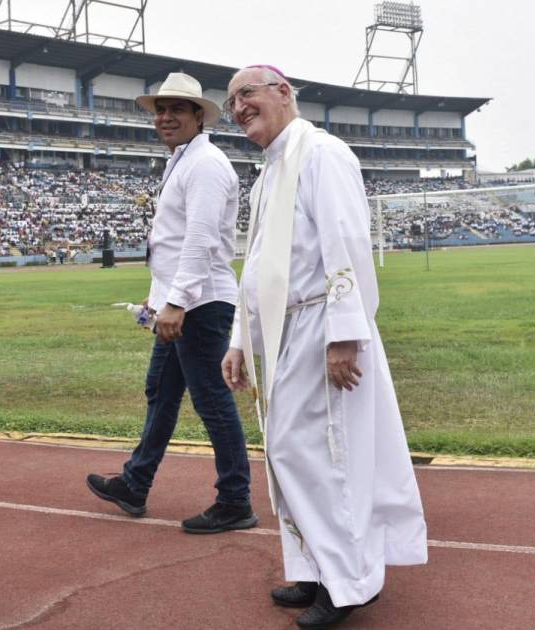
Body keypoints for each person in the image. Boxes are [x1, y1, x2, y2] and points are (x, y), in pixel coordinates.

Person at [221, 64, 427, 629]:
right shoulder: (268, 175)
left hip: (321, 328)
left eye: (247, 94)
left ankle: (350, 584)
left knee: (326, 458)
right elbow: (258, 269)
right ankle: (315, 569)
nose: (238, 108)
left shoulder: (322, 155)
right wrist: (243, 340)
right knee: (291, 455)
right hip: (287, 332)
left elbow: (346, 243)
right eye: (231, 101)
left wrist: (344, 335)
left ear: (284, 93)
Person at [85, 73, 257, 534]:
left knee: (212, 401)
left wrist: (176, 301)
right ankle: (135, 483)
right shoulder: (184, 160)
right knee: (160, 391)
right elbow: (179, 240)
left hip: (201, 303)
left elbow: (200, 241)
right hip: (182, 298)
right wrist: (161, 296)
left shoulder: (204, 164)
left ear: (199, 115)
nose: (165, 117)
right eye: (160, 109)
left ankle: (236, 499)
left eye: (177, 109)